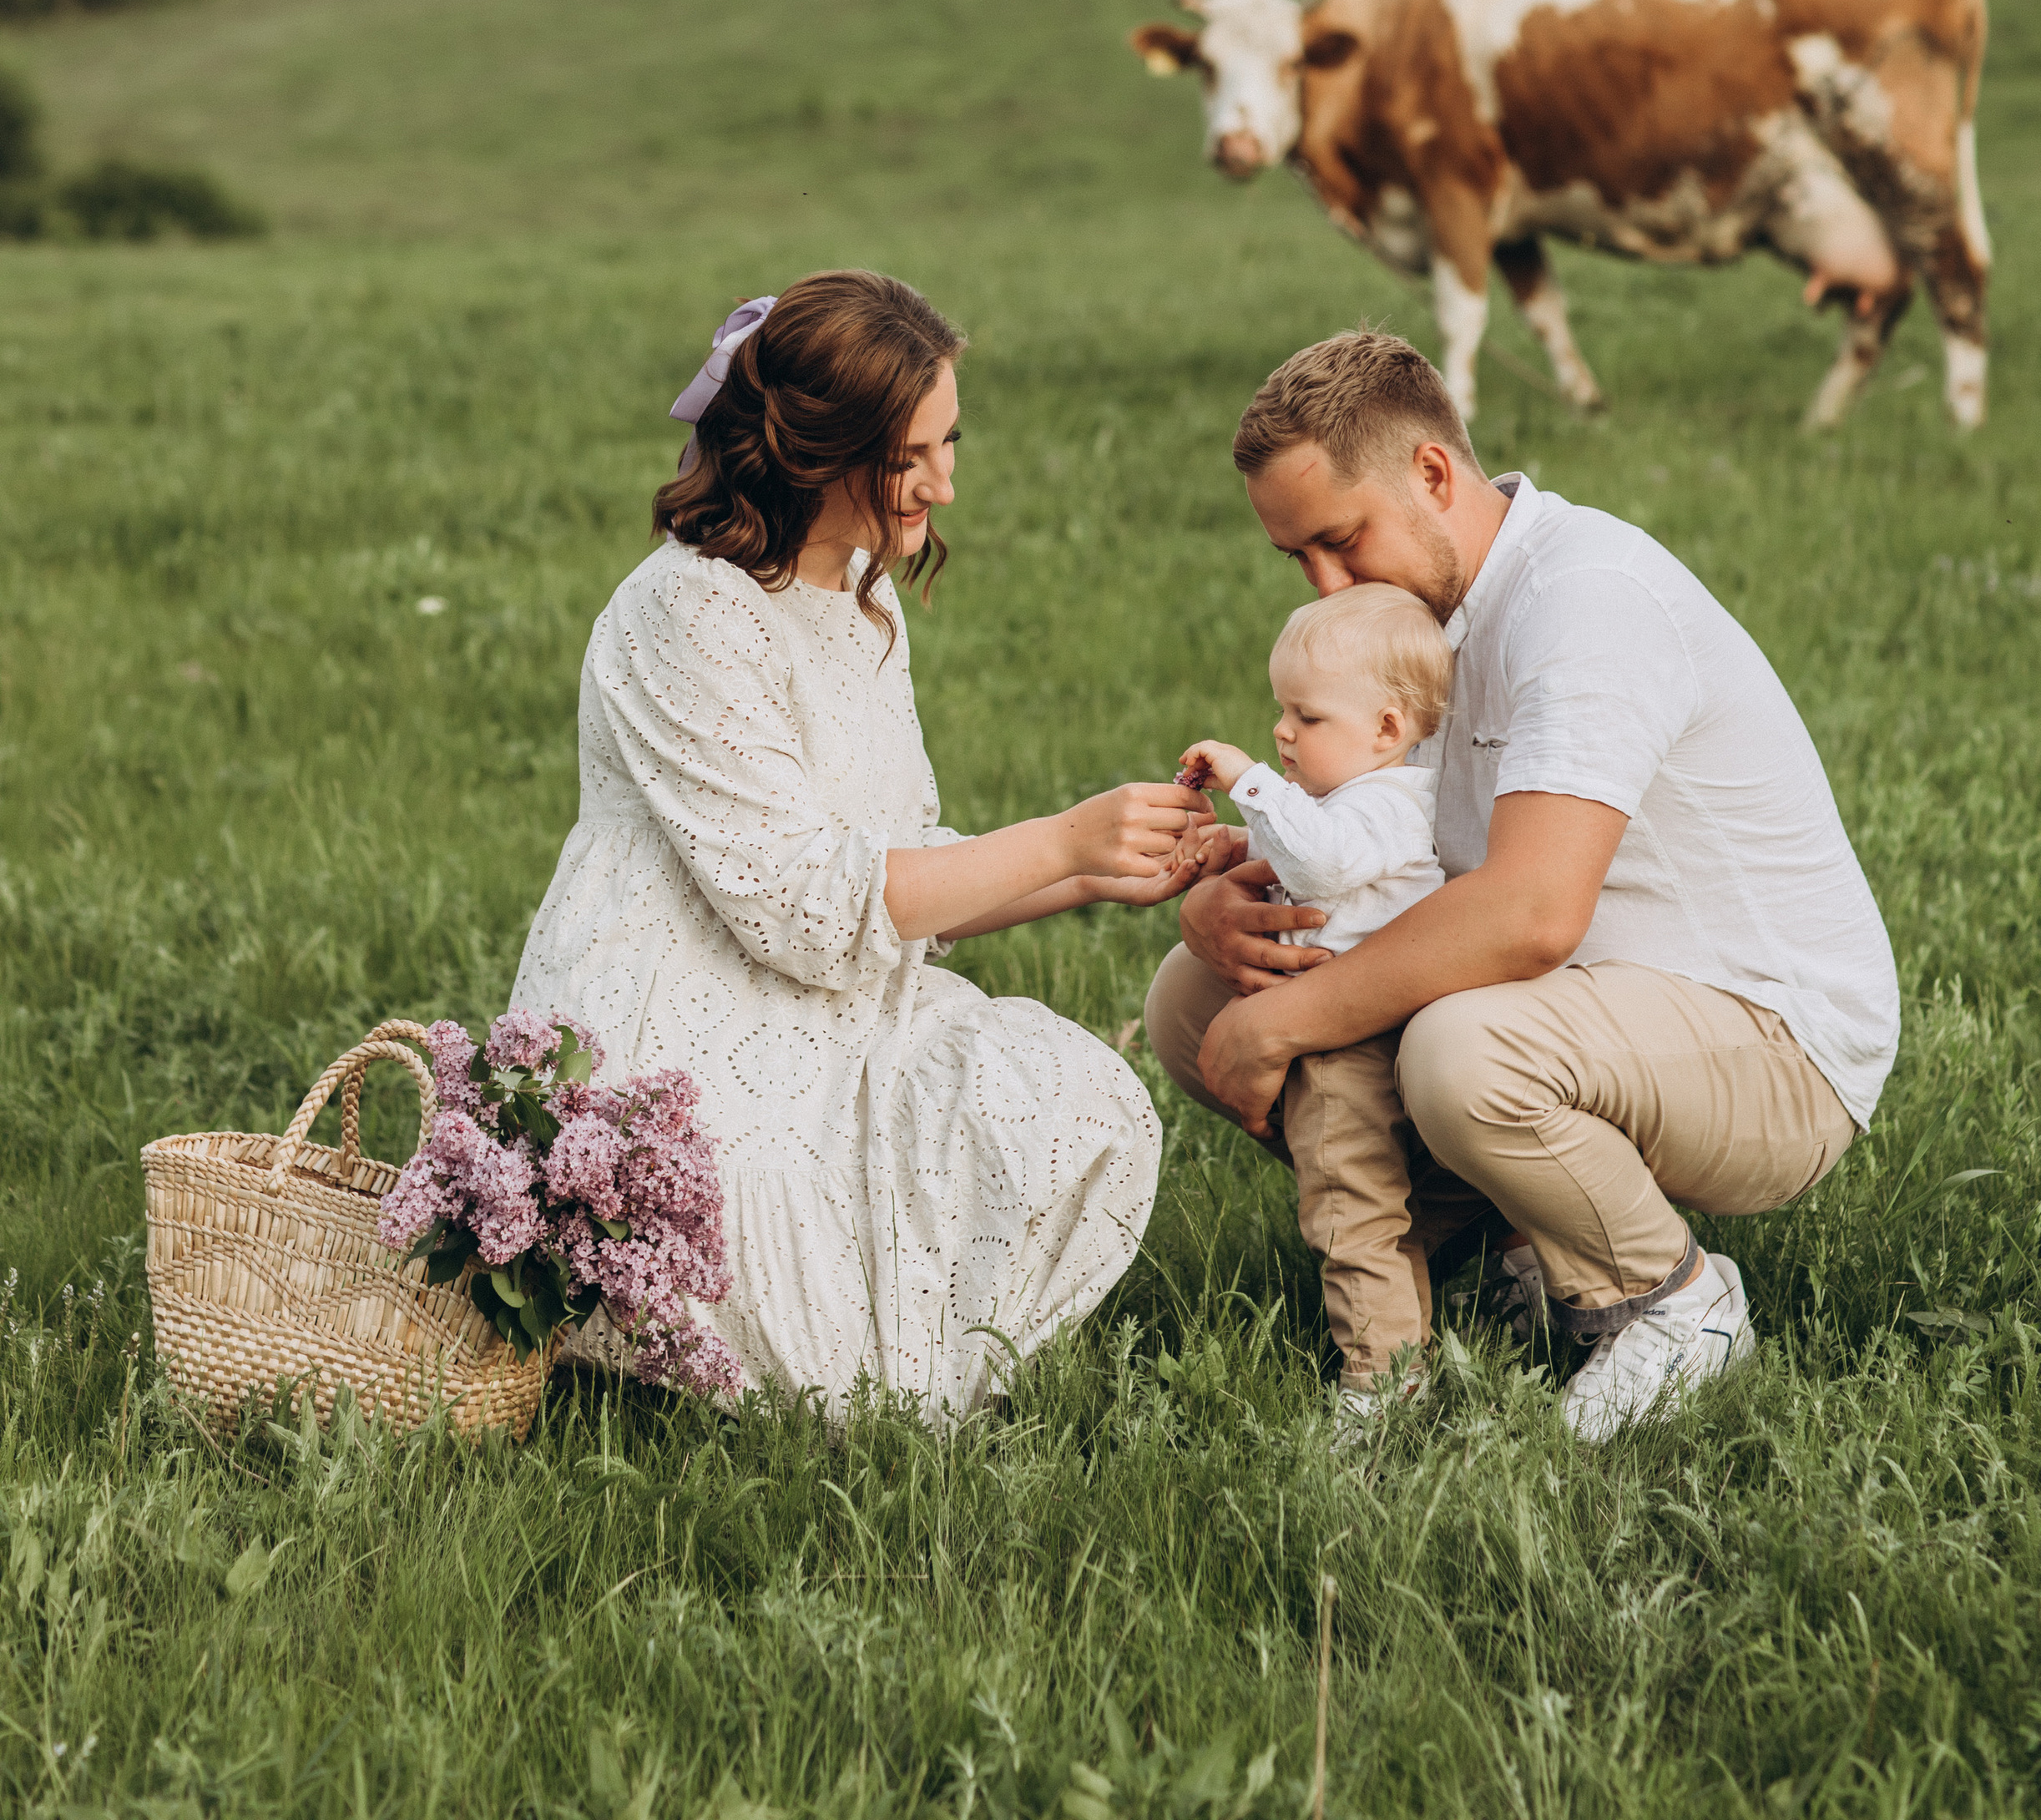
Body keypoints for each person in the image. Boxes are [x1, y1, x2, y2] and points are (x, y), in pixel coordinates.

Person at [1144, 327, 1900, 1443]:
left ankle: (1672, 1305)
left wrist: (1294, 1019)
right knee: (1195, 1001)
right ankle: (1519, 1248)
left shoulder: (1584, 601)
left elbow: (1529, 914)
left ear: (1434, 476)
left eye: (1341, 542)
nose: (1325, 585)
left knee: (1461, 1052)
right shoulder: (1427, 623)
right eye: (1298, 559)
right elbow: (1388, 848)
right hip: (1600, 1012)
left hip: (1771, 1040)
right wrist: (1228, 905)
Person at [514, 270, 1208, 1418]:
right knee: (793, 1269)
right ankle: (813, 1387)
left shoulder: (863, 602)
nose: (947, 481)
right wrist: (1061, 841)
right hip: (678, 1020)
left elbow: (901, 866)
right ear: (814, 451)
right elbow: (800, 907)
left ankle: (919, 1405)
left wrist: (1102, 865)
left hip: (840, 1003)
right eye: (912, 456)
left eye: (950, 442)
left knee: (1077, 1100)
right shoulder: (685, 611)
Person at [1172, 584, 1450, 1415]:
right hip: (1349, 1029)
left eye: (1307, 716)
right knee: (1377, 1199)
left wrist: (1250, 783)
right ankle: (1431, 1311)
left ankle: (1384, 1383)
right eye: (1278, 712)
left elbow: (1324, 864)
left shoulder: (1390, 805)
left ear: (1388, 729)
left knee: (1348, 1207)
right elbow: (1307, 848)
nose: (1282, 732)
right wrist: (1233, 842)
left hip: (1348, 1050)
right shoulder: (1355, 799)